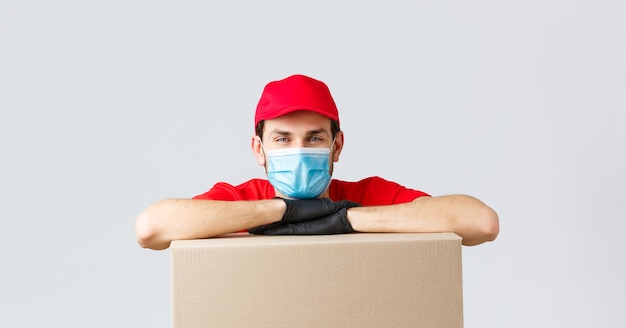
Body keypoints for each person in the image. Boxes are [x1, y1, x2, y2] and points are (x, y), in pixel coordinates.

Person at [135, 74, 499, 250]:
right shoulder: (237, 199)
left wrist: (347, 218)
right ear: (258, 149)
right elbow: (151, 229)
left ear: (336, 146)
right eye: (282, 139)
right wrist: (284, 213)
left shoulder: (368, 194)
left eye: (314, 138)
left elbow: (480, 223)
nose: (298, 149)